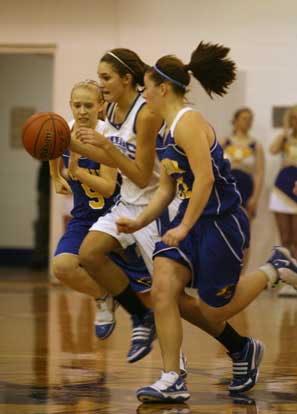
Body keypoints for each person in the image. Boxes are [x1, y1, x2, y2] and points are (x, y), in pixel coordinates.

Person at [115, 42, 297, 403]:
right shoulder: (167, 131)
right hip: (189, 219)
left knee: (217, 310)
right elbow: (167, 189)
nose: (143, 94)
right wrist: (139, 222)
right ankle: (171, 377)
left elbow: (206, 180)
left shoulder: (189, 122)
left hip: (219, 222)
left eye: (146, 87)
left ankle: (274, 268)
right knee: (163, 290)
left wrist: (182, 228)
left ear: (162, 89)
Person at [51, 79, 151, 339]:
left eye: (88, 105)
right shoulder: (65, 129)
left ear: (100, 106)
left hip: (115, 218)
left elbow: (107, 187)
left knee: (147, 291)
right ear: (70, 106)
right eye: (77, 105)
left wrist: (76, 173)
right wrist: (55, 176)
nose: (82, 111)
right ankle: (103, 296)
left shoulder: (107, 135)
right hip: (84, 217)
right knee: (62, 267)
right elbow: (51, 149)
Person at [221, 108, 264, 220]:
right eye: (244, 118)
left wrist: (255, 198)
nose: (248, 122)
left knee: (245, 224)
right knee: (225, 225)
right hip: (226, 187)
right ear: (235, 120)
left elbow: (259, 173)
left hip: (246, 187)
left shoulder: (256, 145)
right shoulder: (224, 142)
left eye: (250, 119)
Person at [269, 105, 297, 256]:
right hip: (282, 188)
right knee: (285, 239)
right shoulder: (285, 138)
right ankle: (286, 273)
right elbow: (273, 150)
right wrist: (284, 131)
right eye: (293, 118)